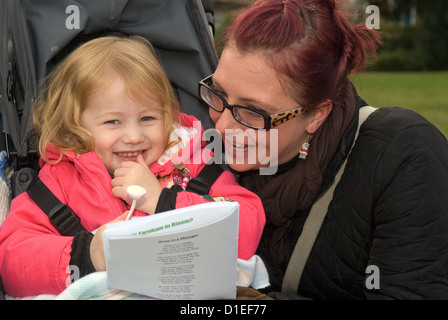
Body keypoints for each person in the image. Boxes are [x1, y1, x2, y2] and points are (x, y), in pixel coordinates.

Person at [199, 0, 448, 299]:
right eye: (219, 93)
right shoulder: (196, 153)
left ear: (317, 114)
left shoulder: (402, 157)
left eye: (254, 113)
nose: (223, 127)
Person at [0, 35, 265, 298]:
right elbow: (12, 262)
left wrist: (165, 201)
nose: (134, 136)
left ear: (168, 115)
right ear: (74, 127)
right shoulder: (59, 180)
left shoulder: (191, 166)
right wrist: (87, 253)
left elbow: (248, 225)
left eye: (147, 118)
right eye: (113, 122)